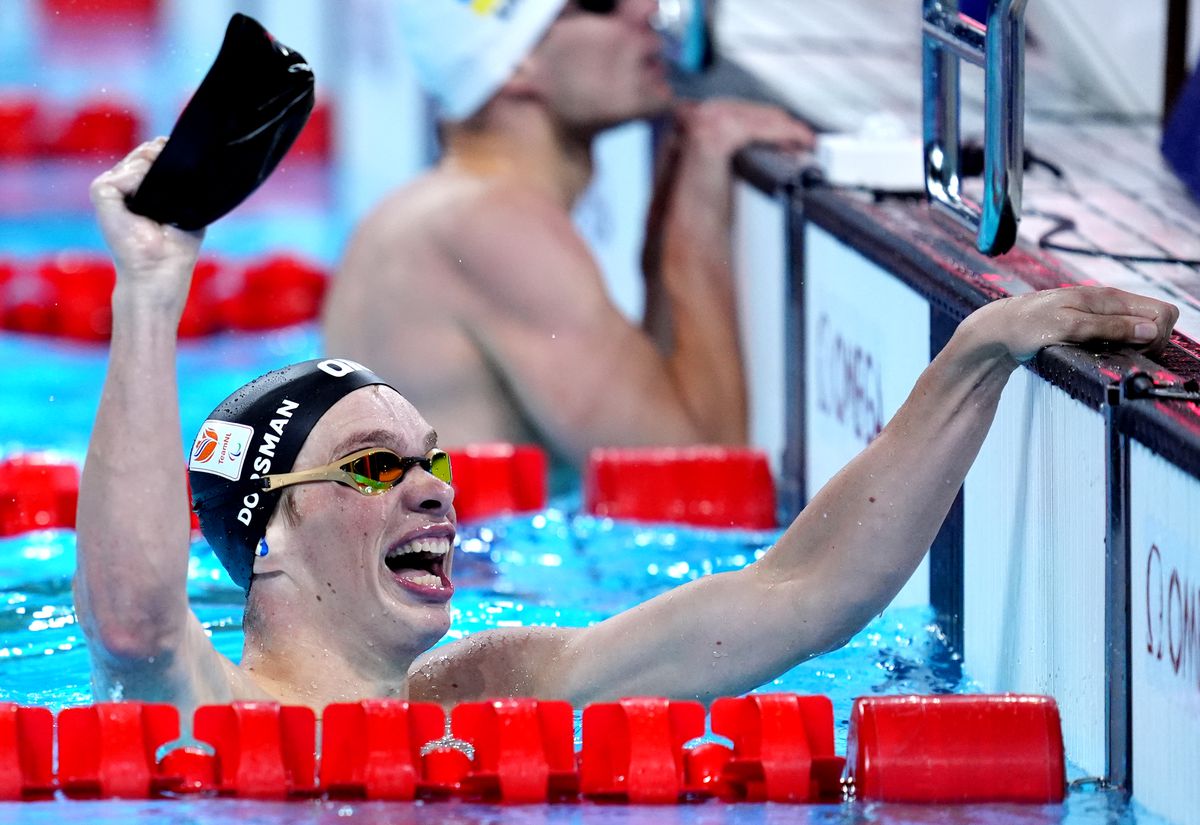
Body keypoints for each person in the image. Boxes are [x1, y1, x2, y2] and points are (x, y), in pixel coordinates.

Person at [76, 140, 1178, 716]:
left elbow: (802, 598)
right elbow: (132, 620)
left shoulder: (501, 684)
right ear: (263, 533)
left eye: (431, 461)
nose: (435, 492)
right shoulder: (194, 707)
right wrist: (148, 297)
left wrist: (979, 349)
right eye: (373, 468)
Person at [321, 0, 814, 473]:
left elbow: (659, 420)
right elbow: (700, 477)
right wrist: (700, 214)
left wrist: (666, 233)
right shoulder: (493, 225)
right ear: (515, 63)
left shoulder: (428, 212)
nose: (645, 10)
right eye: (599, 3)